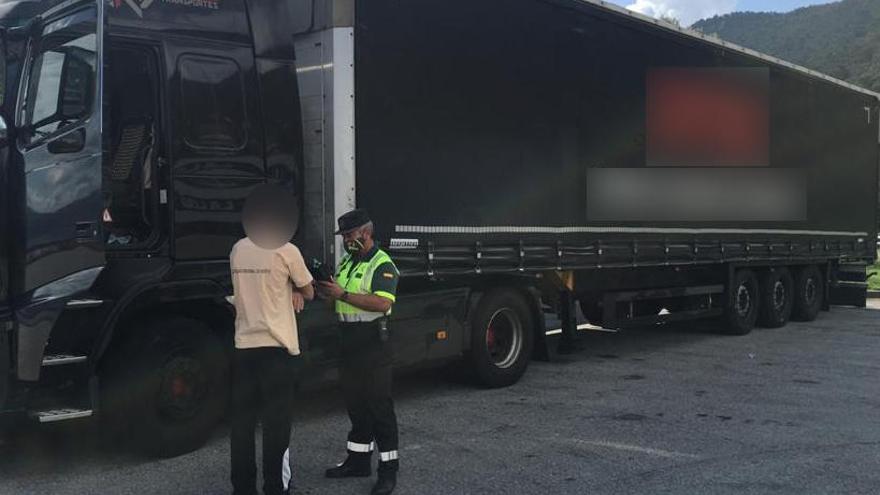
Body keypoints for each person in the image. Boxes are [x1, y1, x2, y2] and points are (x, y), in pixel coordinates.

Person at [229, 186, 314, 495]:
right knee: (276, 427)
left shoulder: (238, 249)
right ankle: (275, 488)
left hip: (243, 348)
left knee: (242, 427)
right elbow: (310, 291)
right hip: (276, 351)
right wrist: (293, 289)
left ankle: (242, 488)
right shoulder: (287, 250)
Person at [317, 209, 401, 495]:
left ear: (365, 233)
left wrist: (342, 294)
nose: (345, 241)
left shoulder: (383, 263)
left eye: (349, 235)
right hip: (349, 343)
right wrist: (327, 291)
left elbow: (381, 304)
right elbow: (337, 301)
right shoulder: (347, 261)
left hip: (373, 345)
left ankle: (388, 472)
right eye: (343, 236)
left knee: (379, 408)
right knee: (356, 405)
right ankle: (358, 461)